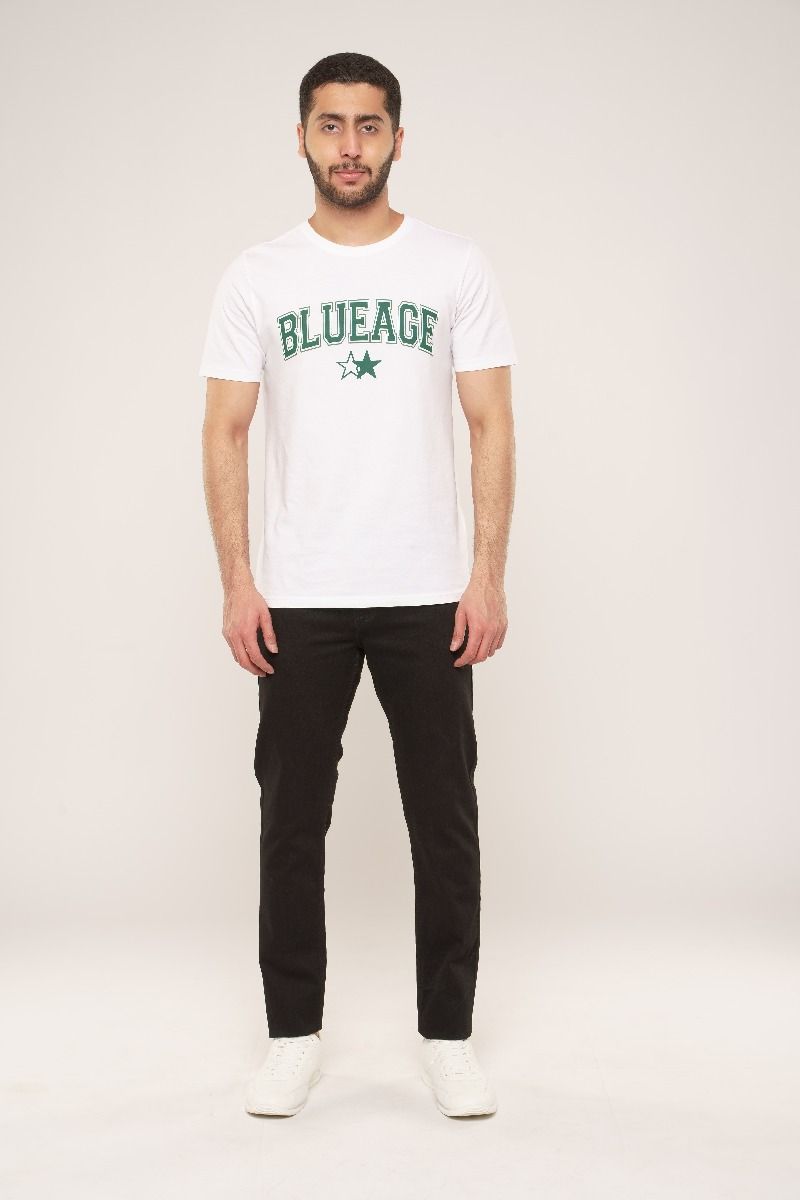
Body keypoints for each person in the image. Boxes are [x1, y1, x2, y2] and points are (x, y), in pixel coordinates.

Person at [198, 51, 517, 1119]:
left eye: (367, 125)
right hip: (300, 592)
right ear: (300, 136)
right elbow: (225, 431)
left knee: (445, 819)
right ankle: (292, 1037)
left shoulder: (453, 265)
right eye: (329, 125)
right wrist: (238, 583)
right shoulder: (257, 276)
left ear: (396, 139)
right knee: (290, 822)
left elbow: (490, 423)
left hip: (429, 589)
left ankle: (448, 1036)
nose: (349, 145)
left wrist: (485, 574)